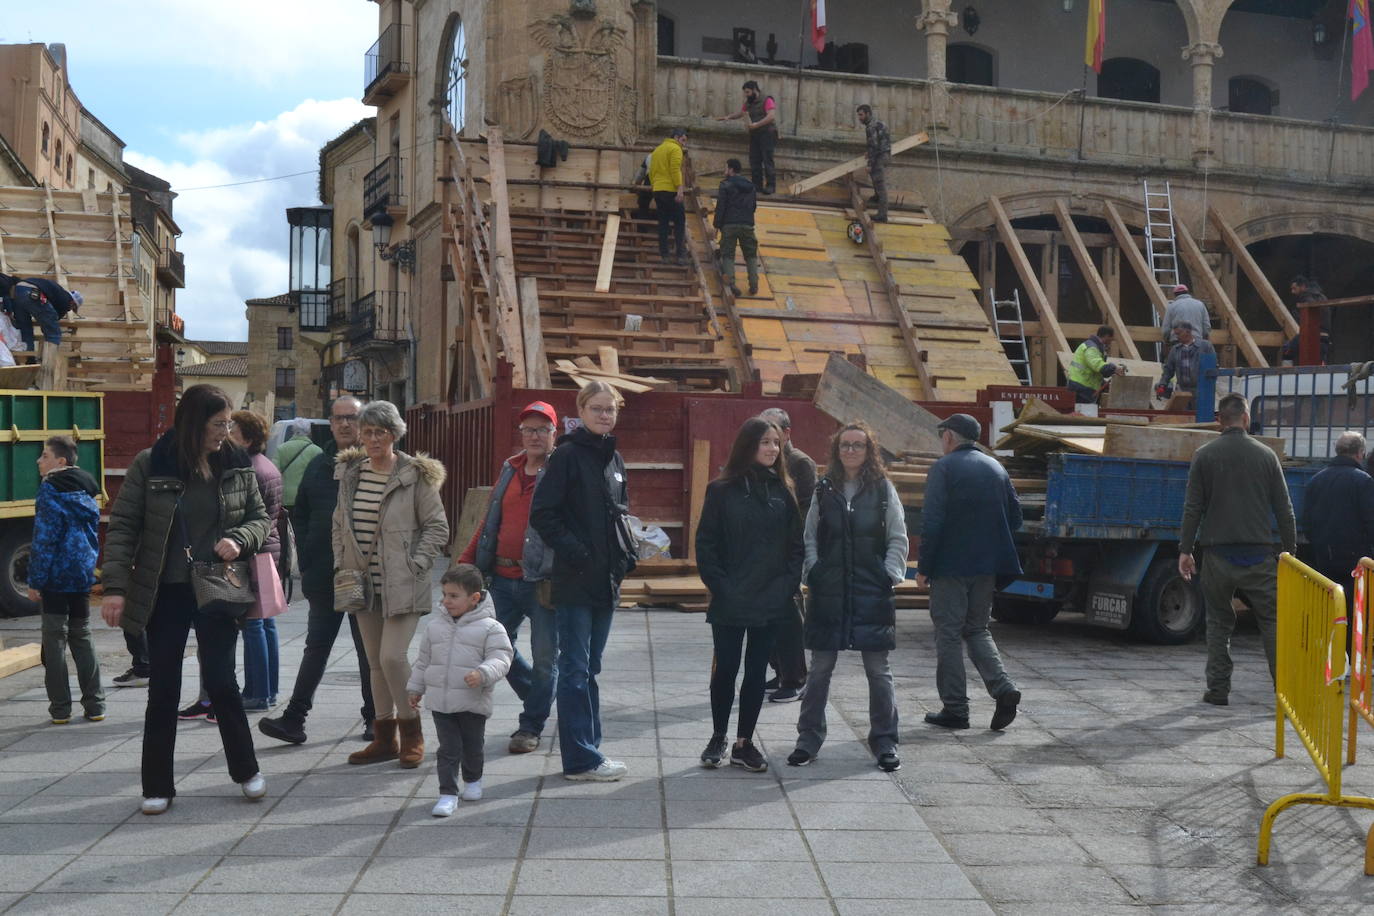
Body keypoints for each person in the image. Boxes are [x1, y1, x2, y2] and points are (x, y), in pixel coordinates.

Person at [99, 384, 271, 815]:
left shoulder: (236, 462)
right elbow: (123, 529)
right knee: (164, 687)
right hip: (165, 590)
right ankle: (157, 786)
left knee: (221, 682)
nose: (225, 431)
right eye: (218, 423)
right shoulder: (151, 463)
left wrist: (239, 538)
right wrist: (116, 588)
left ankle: (246, 770)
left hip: (217, 585)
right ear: (195, 423)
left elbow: (260, 517)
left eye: (229, 422)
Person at [529, 380, 636, 781]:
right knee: (574, 670)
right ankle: (580, 759)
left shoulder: (614, 459)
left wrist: (626, 555)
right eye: (597, 408)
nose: (605, 415)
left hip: (606, 581)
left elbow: (620, 516)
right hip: (575, 580)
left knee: (590, 668)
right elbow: (544, 514)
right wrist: (577, 552)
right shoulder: (568, 456)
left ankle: (591, 750)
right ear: (581, 411)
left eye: (610, 409)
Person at [334, 400, 450, 768]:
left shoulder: (415, 475)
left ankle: (412, 731)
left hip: (403, 582)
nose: (372, 439)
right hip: (361, 581)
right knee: (373, 662)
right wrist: (341, 561)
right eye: (366, 432)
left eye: (380, 432)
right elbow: (339, 523)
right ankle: (384, 737)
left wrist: (417, 562)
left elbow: (437, 527)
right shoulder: (352, 473)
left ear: (395, 434)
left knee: (392, 657)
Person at [788, 422, 907, 772]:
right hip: (830, 592)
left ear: (870, 450)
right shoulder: (825, 489)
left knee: (878, 670)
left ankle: (885, 741)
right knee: (820, 670)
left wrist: (889, 574)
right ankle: (808, 740)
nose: (851, 451)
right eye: (845, 446)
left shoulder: (883, 489)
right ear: (836, 451)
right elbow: (809, 534)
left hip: (872, 591)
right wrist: (815, 570)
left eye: (858, 445)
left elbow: (898, 536)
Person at [259, 397, 377, 745]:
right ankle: (294, 719)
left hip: (363, 577)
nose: (345, 425)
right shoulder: (318, 464)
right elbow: (304, 515)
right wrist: (308, 564)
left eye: (352, 418)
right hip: (325, 575)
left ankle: (375, 719)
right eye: (339, 418)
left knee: (367, 650)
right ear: (330, 421)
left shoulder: (376, 464)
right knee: (316, 647)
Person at [695, 417, 803, 772]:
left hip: (771, 599)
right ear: (747, 446)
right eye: (764, 442)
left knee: (757, 672)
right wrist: (722, 588)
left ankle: (744, 742)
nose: (772, 449)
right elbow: (706, 545)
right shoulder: (721, 490)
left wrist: (785, 588)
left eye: (775, 442)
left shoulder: (783, 490)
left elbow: (795, 549)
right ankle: (718, 735)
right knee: (725, 669)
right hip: (730, 597)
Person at [1179, 393, 1296, 706]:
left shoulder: (1204, 455)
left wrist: (1185, 550)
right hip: (1259, 555)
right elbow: (1284, 509)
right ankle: (1283, 692)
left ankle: (1217, 690)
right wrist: (1289, 552)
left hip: (1217, 555)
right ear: (1246, 419)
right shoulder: (1266, 455)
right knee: (1271, 621)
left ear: (1219, 420)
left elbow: (1193, 508)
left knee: (1218, 623)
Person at [457, 401, 559, 755]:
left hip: (543, 580)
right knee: (495, 646)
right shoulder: (510, 468)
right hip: (501, 576)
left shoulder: (560, 471)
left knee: (547, 656)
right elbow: (490, 521)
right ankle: (538, 695)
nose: (534, 436)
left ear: (553, 434)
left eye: (541, 430)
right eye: (528, 430)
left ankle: (530, 726)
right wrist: (466, 563)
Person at [917, 414, 1024, 731]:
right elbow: (1015, 518)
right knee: (977, 629)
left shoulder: (943, 468)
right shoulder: (996, 467)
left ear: (949, 436)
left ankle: (955, 709)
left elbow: (932, 523)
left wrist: (924, 568)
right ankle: (1003, 689)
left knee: (948, 635)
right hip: (987, 566)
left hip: (951, 567)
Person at [408, 563, 513, 817]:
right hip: (441, 702)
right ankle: (447, 794)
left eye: (454, 596)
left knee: (473, 746)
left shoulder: (491, 627)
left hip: (472, 701)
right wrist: (415, 687)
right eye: (444, 595)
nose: (446, 601)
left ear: (474, 598)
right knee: (448, 748)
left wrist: (483, 672)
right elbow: (423, 661)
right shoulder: (435, 626)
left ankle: (473, 780)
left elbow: (502, 657)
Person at [27, 435, 103, 726]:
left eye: (44, 455)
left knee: (55, 640)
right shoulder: (87, 489)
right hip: (81, 574)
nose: (38, 460)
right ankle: (95, 705)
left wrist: (35, 581)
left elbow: (45, 540)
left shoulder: (49, 491)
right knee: (82, 637)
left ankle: (61, 709)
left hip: (56, 577)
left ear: (61, 461)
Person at [758, 407, 815, 703]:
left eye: (772, 429)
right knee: (764, 615)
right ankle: (779, 670)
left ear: (787, 433)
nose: (765, 435)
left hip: (787, 552)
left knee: (788, 617)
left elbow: (805, 511)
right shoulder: (760, 460)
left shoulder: (800, 463)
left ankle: (795, 678)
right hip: (761, 554)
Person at [232, 411, 283, 710]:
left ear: (247, 439)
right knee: (265, 623)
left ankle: (257, 693)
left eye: (233, 432)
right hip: (267, 550)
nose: (228, 436)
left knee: (253, 624)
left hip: (255, 551)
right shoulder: (266, 465)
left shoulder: (250, 469)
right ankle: (268, 690)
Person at [1302, 431, 1374, 628]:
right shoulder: (1364, 481)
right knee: (1354, 610)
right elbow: (1370, 520)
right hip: (1355, 559)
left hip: (1324, 555)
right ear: (1360, 453)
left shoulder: (1316, 480)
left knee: (1329, 608)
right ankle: (1350, 653)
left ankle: (1331, 651)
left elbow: (1306, 521)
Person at [718, 80, 778, 195]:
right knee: (754, 160)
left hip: (767, 134)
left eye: (748, 92)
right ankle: (757, 185)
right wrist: (728, 117)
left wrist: (757, 124)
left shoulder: (767, 100)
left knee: (767, 160)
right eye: (745, 92)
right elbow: (741, 113)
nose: (746, 95)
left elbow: (771, 116)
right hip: (755, 134)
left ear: (755, 90)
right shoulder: (749, 102)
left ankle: (771, 186)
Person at [714, 158, 760, 297]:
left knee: (728, 254)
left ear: (731, 170)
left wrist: (716, 225)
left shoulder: (725, 185)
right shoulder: (751, 186)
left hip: (729, 224)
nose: (724, 170)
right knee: (751, 255)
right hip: (747, 224)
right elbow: (753, 207)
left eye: (726, 168)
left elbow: (720, 207)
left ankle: (731, 283)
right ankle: (754, 284)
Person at [2, 275, 80, 349]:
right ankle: (49, 360)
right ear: (73, 303)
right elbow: (52, 318)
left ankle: (29, 358)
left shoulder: (57, 291)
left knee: (25, 328)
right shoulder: (66, 299)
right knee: (54, 333)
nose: (70, 310)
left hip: (17, 291)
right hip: (33, 293)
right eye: (73, 308)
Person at [648, 127, 688, 266]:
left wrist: (654, 185)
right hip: (670, 190)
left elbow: (651, 171)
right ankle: (681, 255)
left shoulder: (658, 150)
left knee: (663, 223)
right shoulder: (676, 149)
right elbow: (675, 169)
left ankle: (664, 254)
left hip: (658, 190)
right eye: (683, 140)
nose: (684, 144)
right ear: (677, 137)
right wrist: (680, 188)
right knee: (679, 222)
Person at [273, 418, 322, 513]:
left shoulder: (281, 449)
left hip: (285, 498)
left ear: (293, 431)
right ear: (309, 432)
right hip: (308, 498)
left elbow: (274, 474)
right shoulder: (317, 451)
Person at [1155, 322, 1216, 397]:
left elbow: (1213, 367)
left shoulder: (1206, 346)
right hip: (1183, 391)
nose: (1177, 337)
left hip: (1202, 390)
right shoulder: (1175, 350)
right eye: (1176, 334)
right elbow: (1168, 370)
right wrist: (1162, 385)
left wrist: (1209, 386)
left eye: (1179, 333)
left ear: (1188, 332)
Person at [1066, 326, 1124, 405]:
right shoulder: (1092, 348)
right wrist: (1114, 368)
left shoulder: (1095, 347)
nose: (1111, 341)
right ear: (1107, 336)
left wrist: (1103, 384)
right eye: (1111, 338)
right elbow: (1097, 364)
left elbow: (1094, 371)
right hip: (1081, 388)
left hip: (1083, 388)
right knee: (1083, 414)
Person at [1281, 275, 1332, 364]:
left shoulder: (1307, 298)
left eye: (1294, 288)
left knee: (1287, 350)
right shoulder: (1321, 296)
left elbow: (1311, 316)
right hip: (1325, 337)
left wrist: (1298, 316)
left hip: (1312, 335)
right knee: (1320, 364)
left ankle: (1286, 374)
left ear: (1303, 287)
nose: (1292, 292)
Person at [857, 104, 891, 222]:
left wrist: (870, 165)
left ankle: (882, 215)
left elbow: (874, 147)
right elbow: (881, 142)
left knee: (880, 184)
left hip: (879, 157)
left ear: (867, 113)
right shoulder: (879, 123)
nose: (859, 118)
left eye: (861, 115)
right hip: (885, 154)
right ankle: (876, 197)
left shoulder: (870, 127)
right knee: (876, 179)